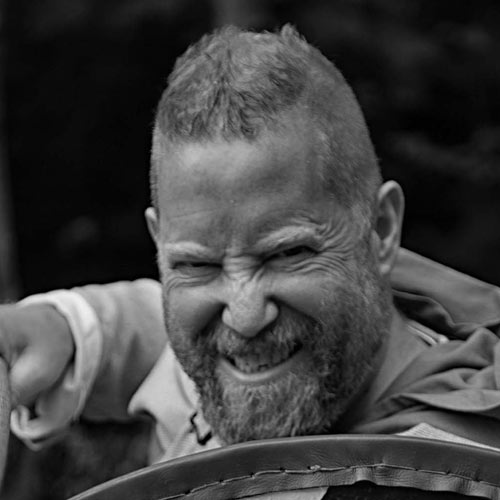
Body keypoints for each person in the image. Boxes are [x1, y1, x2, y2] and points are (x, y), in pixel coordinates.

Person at [2, 25, 500, 471]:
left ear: (381, 228)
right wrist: (67, 323)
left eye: (287, 255)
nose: (243, 318)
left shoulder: (458, 467)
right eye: (197, 263)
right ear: (161, 245)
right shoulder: (253, 344)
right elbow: (157, 335)